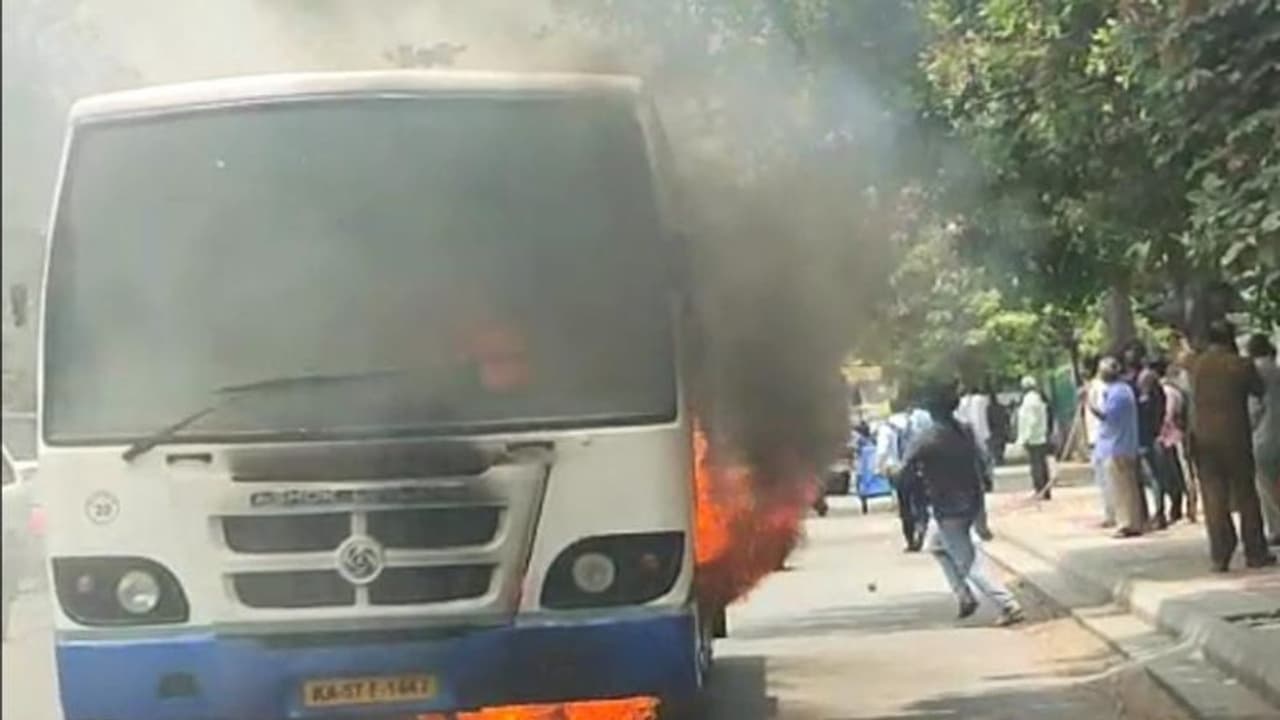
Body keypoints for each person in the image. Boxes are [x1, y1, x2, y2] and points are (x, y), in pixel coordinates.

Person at [904, 383, 1025, 626]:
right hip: (971, 500)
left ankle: (1008, 604)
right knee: (936, 546)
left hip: (947, 507)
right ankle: (964, 596)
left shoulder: (925, 438)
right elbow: (982, 462)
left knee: (968, 562)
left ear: (931, 411)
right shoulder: (964, 431)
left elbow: (904, 469)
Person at [1184, 322, 1275, 571]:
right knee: (1246, 494)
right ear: (1230, 339)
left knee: (1213, 497)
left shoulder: (1196, 364)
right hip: (1235, 438)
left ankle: (1220, 555)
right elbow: (1258, 389)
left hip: (1202, 439)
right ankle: (1255, 552)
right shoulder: (1240, 365)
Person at [1089, 356, 1145, 538]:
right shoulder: (1123, 390)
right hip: (1122, 445)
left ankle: (1126, 524)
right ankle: (1133, 522)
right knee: (1128, 488)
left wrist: (1090, 406)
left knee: (1121, 489)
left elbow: (1108, 416)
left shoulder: (1117, 393)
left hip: (1117, 447)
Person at [877, 404, 928, 552]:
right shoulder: (917, 423)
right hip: (918, 467)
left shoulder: (887, 427)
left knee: (904, 505)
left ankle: (910, 539)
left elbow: (882, 451)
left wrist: (879, 468)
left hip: (898, 470)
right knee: (920, 500)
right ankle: (922, 525)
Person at [1246, 334, 1280, 545]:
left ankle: (1276, 528)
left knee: (1266, 485)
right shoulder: (1277, 371)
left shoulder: (1253, 374)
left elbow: (1253, 410)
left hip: (1264, 437)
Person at [1152, 360, 1190, 524]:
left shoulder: (1166, 392)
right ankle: (1178, 508)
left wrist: (1160, 433)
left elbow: (1168, 415)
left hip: (1169, 437)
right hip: (1174, 436)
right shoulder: (1175, 390)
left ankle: (1178, 508)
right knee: (1176, 475)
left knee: (1171, 476)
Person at [1080, 354, 1115, 527]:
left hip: (1101, 438)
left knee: (1107, 479)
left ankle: (1112, 514)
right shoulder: (1092, 388)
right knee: (1102, 480)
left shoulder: (1100, 388)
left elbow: (1103, 413)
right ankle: (1109, 512)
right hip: (1095, 438)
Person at [1136, 367, 1172, 529]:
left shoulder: (1146, 401)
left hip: (1149, 442)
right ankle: (1160, 512)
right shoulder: (1160, 397)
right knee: (1158, 477)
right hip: (1158, 439)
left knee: (1153, 478)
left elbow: (1146, 422)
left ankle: (1159, 513)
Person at [1016, 376, 1052, 500]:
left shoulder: (1029, 401)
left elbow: (1031, 420)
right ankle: (1045, 491)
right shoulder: (1037, 398)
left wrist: (1025, 437)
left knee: (1036, 466)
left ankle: (1040, 490)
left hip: (1034, 438)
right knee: (1042, 465)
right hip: (1040, 436)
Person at [986, 389, 1011, 466]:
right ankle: (1000, 458)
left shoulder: (988, 408)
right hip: (1001, 427)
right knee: (1001, 444)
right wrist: (1007, 425)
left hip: (994, 428)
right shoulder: (1002, 407)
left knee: (995, 444)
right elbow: (1007, 417)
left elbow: (987, 418)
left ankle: (998, 458)